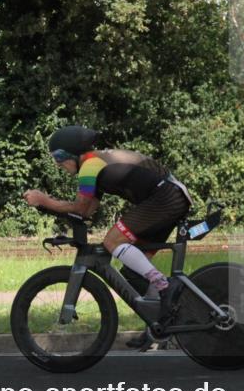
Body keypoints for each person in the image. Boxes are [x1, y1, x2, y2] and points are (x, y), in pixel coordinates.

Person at [23, 125, 190, 348]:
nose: (57, 163)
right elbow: (89, 209)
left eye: (60, 156)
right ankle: (160, 326)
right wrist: (51, 207)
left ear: (74, 152)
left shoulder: (90, 165)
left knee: (112, 241)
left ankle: (166, 286)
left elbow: (81, 208)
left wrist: (44, 200)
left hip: (166, 197)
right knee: (133, 272)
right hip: (168, 196)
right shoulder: (97, 163)